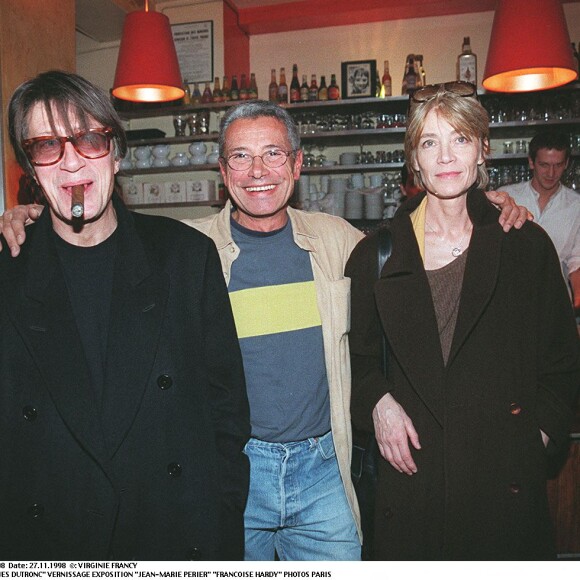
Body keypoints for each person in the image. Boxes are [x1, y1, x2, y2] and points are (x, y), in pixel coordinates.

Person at [0, 99, 529, 561]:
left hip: (324, 470)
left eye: (274, 154)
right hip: (236, 470)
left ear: (297, 164)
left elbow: (420, 251)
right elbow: (96, 246)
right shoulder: (182, 254)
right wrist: (30, 217)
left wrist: (491, 204)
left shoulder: (341, 241)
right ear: (222, 172)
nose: (258, 171)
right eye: (240, 157)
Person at [0, 70, 250, 560]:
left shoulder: (186, 257)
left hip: (172, 537)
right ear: (30, 168)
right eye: (48, 146)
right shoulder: (9, 272)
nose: (72, 162)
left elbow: (228, 417)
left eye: (90, 138)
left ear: (116, 152)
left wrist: (216, 532)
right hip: (52, 546)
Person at [346, 82, 580, 560]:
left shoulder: (525, 245)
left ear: (482, 150)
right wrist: (377, 403)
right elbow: (355, 358)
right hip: (414, 482)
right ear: (414, 159)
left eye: (460, 138)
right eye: (430, 142)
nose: (446, 156)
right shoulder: (377, 254)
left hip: (501, 482)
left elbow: (561, 359)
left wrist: (536, 438)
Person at [500, 131, 580, 309]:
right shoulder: (507, 197)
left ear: (566, 164)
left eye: (558, 165)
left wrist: (578, 301)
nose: (551, 173)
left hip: (555, 304)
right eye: (544, 165)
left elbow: (576, 263)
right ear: (531, 162)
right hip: (510, 303)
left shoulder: (577, 206)